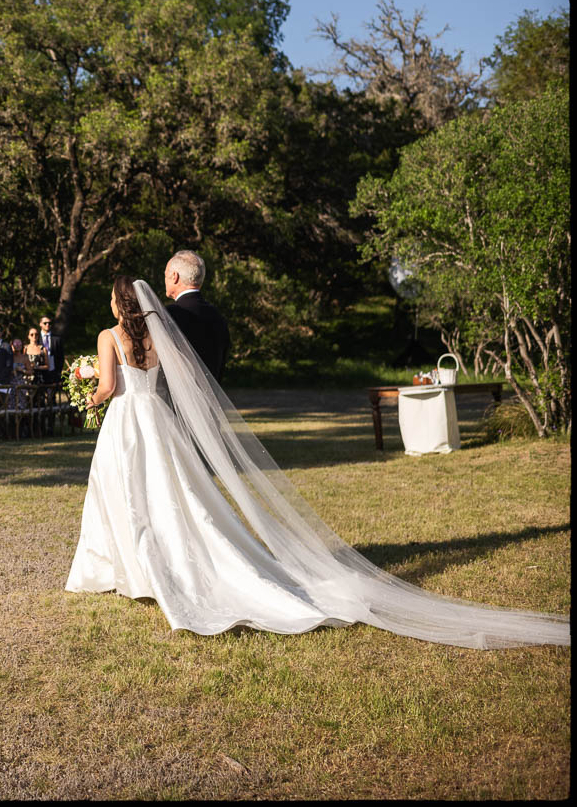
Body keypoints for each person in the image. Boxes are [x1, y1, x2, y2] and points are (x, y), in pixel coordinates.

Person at [65, 276, 569, 649]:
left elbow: (110, 388)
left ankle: (134, 570)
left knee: (126, 492)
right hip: (159, 420)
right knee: (175, 495)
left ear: (117, 303)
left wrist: (88, 394)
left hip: (128, 420)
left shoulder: (109, 337)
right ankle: (157, 567)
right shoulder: (159, 336)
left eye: (111, 297)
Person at [163, 250, 230, 382]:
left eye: (165, 275)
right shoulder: (218, 316)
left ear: (174, 277)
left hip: (178, 399)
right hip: (212, 398)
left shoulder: (169, 314)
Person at [36, 314, 64, 385]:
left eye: (49, 323)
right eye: (45, 323)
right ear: (40, 324)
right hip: (39, 372)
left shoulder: (57, 339)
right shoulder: (36, 338)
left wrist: (58, 372)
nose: (47, 325)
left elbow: (61, 357)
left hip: (53, 371)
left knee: (52, 394)